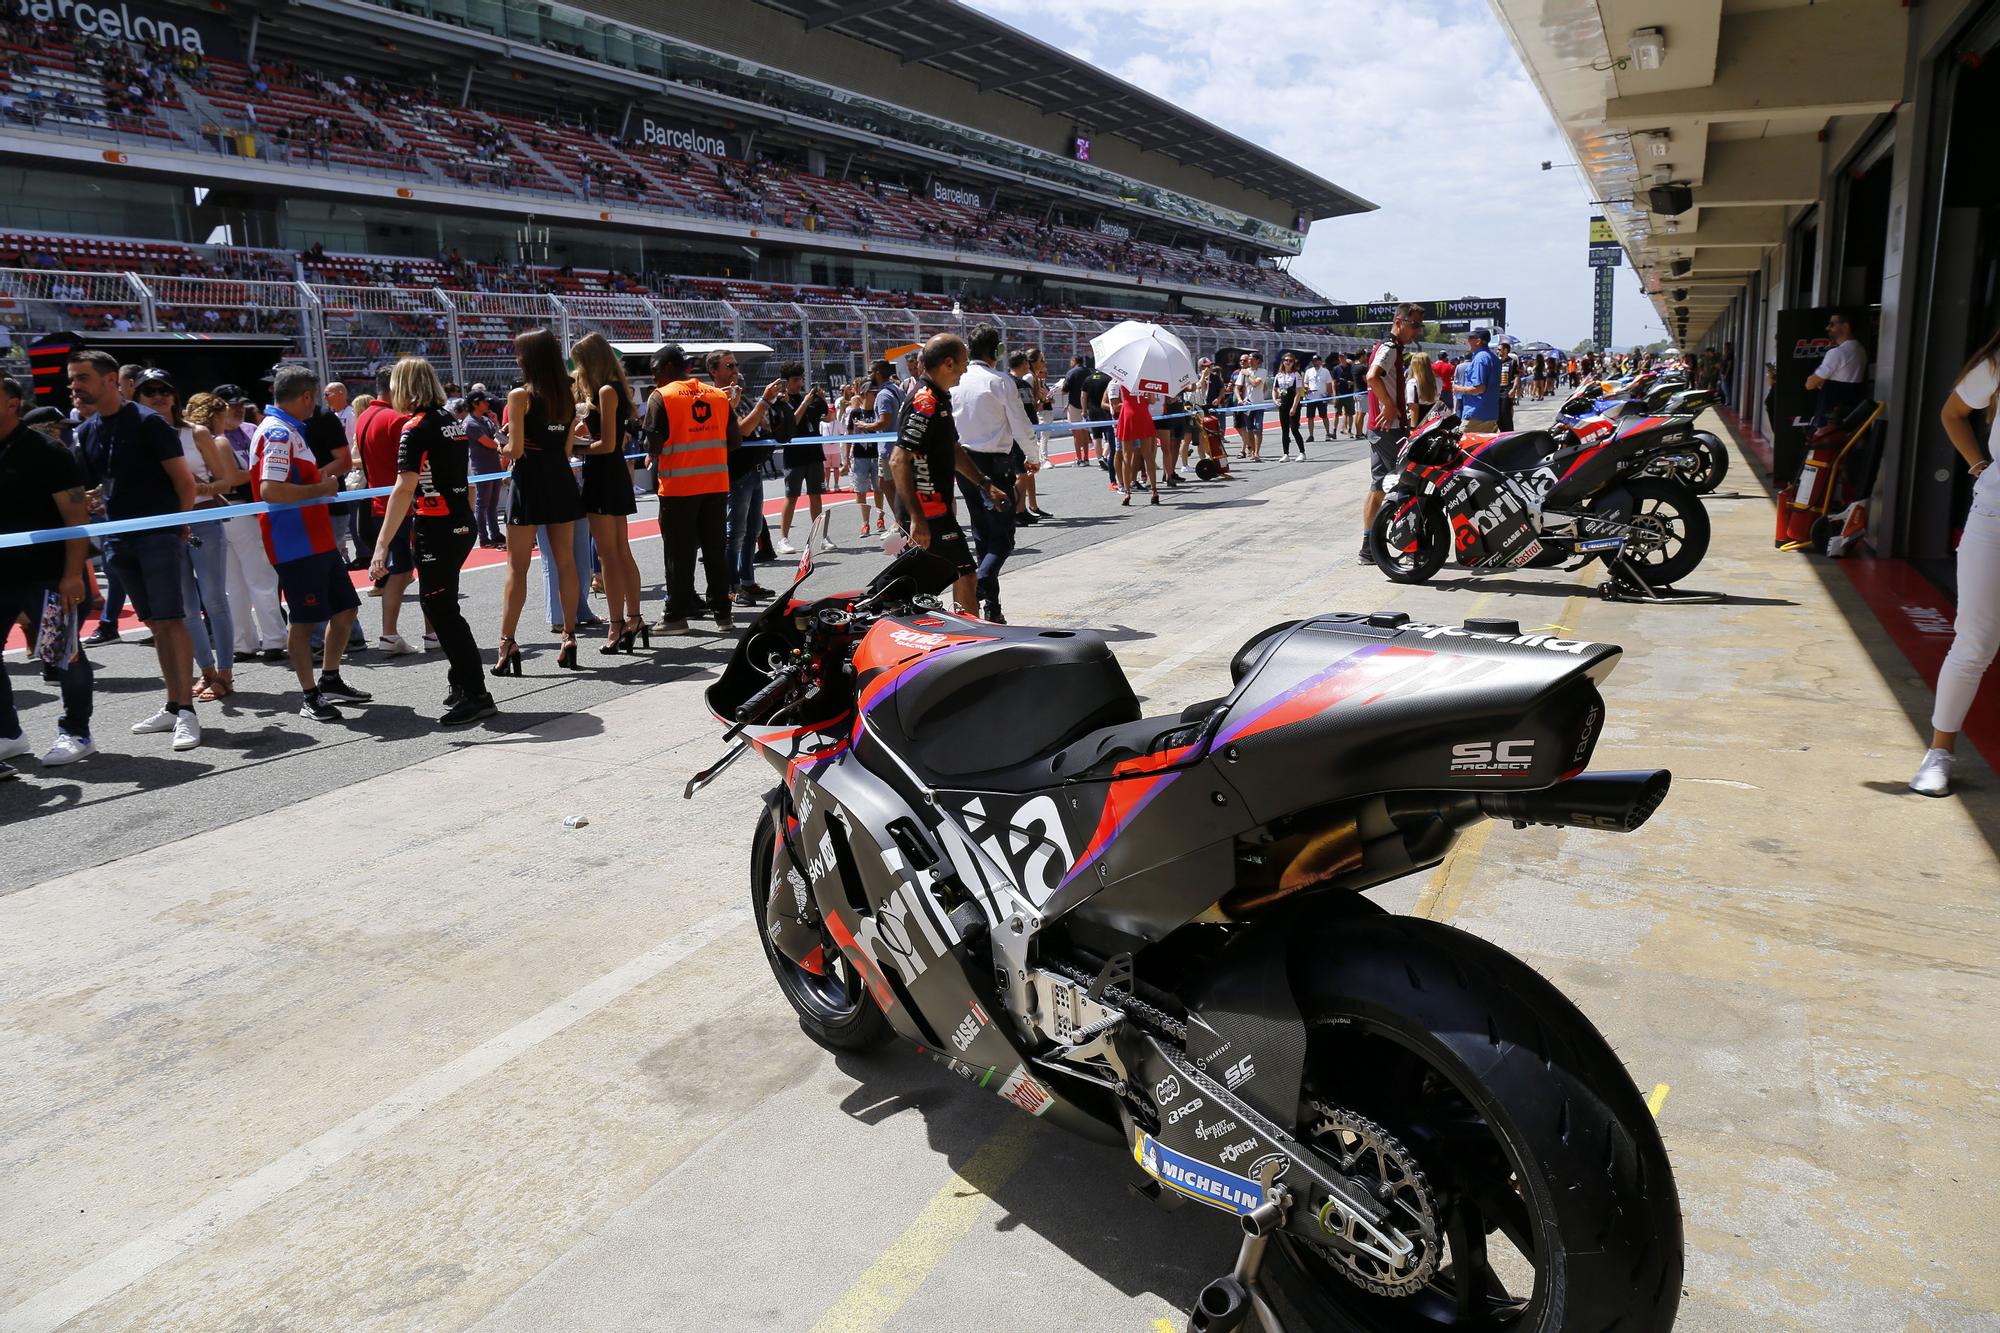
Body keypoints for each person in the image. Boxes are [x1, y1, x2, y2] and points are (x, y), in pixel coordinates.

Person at [70, 348, 202, 750]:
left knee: (170, 619)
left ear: (111, 380)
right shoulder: (88, 431)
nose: (75, 386)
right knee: (156, 624)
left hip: (157, 538)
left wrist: (175, 530)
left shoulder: (150, 424)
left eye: (83, 378)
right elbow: (96, 485)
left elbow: (186, 484)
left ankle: (187, 712)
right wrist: (93, 501)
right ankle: (174, 703)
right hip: (117, 541)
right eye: (71, 380)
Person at [369, 356, 496, 728]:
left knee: (441, 609)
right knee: (442, 605)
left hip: (439, 527)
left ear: (402, 387)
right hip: (456, 522)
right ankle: (462, 682)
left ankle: (476, 693)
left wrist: (380, 545)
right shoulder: (450, 422)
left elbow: (403, 487)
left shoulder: (417, 427)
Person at [251, 364, 370, 722]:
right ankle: (309, 695)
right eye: (314, 397)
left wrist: (318, 482)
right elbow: (269, 490)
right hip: (295, 542)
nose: (315, 404)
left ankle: (329, 678)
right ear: (306, 396)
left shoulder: (287, 430)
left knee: (346, 609)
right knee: (303, 623)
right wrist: (322, 487)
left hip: (314, 538)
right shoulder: (277, 433)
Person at [1910, 326, 2000, 797]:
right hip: (1995, 518)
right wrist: (1979, 464)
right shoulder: (1997, 362)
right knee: (1975, 642)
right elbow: (1954, 413)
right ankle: (1939, 751)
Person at [0, 374, 96, 774]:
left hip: (47, 574)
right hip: (2, 576)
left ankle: (77, 732)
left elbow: (76, 519)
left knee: (65, 654)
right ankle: (8, 735)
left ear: (12, 402)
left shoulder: (48, 451)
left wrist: (73, 574)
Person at [891, 333, 1012, 616]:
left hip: (933, 508)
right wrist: (917, 518)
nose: (966, 369)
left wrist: (985, 484)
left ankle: (947, 637)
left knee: (922, 585)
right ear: (948, 363)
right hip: (926, 510)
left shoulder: (939, 397)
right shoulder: (925, 401)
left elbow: (953, 448)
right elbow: (898, 461)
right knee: (965, 574)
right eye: (963, 363)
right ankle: (970, 642)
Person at [495, 327, 584, 674]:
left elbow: (515, 450)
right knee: (565, 562)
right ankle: (569, 635)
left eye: (520, 352)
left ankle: (507, 641)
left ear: (528, 357)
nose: (517, 357)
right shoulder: (566, 395)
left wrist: (501, 445)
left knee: (517, 567)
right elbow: (565, 448)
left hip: (529, 481)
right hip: (560, 479)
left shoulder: (520, 396)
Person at [144, 374, 238, 703]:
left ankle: (225, 672)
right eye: (149, 391)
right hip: (169, 527)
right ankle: (208, 671)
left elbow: (226, 481)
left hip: (202, 520)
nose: (157, 396)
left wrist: (199, 488)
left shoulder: (196, 433)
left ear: (174, 396)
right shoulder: (141, 436)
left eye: (163, 390)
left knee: (214, 600)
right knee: (185, 607)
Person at [647, 343, 739, 634]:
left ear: (668, 369)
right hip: (715, 485)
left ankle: (676, 615)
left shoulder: (661, 397)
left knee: (679, 554)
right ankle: (723, 614)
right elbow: (734, 441)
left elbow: (653, 444)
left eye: (654, 372)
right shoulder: (717, 396)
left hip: (678, 488)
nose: (653, 379)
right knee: (715, 550)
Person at [950, 323, 1033, 623]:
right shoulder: (1000, 381)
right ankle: (980, 584)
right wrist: (1033, 458)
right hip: (995, 467)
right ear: (997, 351)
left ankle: (992, 610)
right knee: (1003, 539)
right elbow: (1021, 425)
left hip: (964, 465)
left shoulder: (956, 382)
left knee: (983, 538)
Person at [569, 331, 645, 653]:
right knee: (619, 552)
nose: (576, 368)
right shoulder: (613, 389)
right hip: (610, 475)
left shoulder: (605, 391)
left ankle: (618, 623)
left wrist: (574, 447)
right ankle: (633, 618)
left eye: (579, 361)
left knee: (609, 555)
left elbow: (608, 445)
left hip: (604, 474)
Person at [203, 384, 286, 662]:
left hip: (243, 510)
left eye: (240, 403)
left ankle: (272, 639)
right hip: (226, 511)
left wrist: (245, 473)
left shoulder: (250, 429)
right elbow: (234, 477)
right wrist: (250, 471)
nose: (238, 408)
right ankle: (246, 643)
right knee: (240, 584)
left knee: (257, 579)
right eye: (231, 404)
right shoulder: (210, 437)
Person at [353, 368, 421, 655]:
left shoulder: (364, 416)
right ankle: (390, 634)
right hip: (399, 504)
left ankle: (394, 634)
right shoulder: (398, 420)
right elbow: (409, 469)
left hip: (377, 502)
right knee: (402, 571)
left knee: (400, 569)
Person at [708, 348, 780, 609]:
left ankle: (747, 580)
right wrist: (764, 401)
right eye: (729, 366)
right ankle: (731, 587)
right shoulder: (717, 398)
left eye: (736, 365)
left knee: (753, 531)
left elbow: (763, 426)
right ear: (713, 371)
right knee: (735, 533)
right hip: (735, 474)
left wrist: (770, 409)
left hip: (752, 471)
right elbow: (744, 428)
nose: (735, 370)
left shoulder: (740, 396)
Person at [1360, 303, 1424, 565]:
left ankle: (1368, 548)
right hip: (1388, 429)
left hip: (1381, 429)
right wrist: (1388, 404)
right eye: (1415, 325)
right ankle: (1409, 548)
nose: (1418, 332)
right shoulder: (1388, 348)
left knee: (1378, 486)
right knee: (1407, 483)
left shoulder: (1391, 348)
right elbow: (1372, 377)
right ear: (1399, 322)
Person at [773, 368, 829, 554]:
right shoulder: (782, 401)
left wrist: (821, 400)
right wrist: (805, 403)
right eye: (795, 379)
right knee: (791, 497)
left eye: (801, 379)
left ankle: (820, 537)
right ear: (786, 381)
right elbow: (792, 423)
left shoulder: (809, 398)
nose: (800, 383)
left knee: (816, 495)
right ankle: (783, 539)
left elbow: (828, 418)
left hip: (814, 454)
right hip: (794, 457)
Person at [849, 358, 898, 541]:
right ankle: (900, 521)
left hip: (887, 448)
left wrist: (865, 425)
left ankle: (900, 521)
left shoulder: (885, 394)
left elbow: (883, 422)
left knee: (886, 484)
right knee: (888, 484)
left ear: (877, 374)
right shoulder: (896, 389)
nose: (868, 375)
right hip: (894, 447)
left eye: (870, 372)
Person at [1805, 309, 1869, 425]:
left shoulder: (1837, 353)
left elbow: (1810, 384)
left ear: (1845, 326)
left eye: (1832, 324)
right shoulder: (1860, 349)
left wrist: (1821, 381)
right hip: (1849, 415)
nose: (1827, 328)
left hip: (1830, 419)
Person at [462, 391, 504, 547]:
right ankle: (483, 537)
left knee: (493, 503)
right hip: (481, 468)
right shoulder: (470, 423)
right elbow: (491, 443)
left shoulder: (486, 420)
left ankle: (495, 534)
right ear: (475, 404)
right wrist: (500, 444)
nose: (488, 404)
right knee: (483, 503)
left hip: (494, 466)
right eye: (484, 402)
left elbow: (500, 436)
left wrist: (496, 421)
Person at [1113, 378, 1161, 507]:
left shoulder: (1123, 379)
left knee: (1126, 456)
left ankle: (1127, 492)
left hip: (1128, 413)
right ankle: (1154, 491)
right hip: (1143, 414)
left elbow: (1120, 401)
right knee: (1148, 455)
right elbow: (1151, 400)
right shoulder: (1146, 380)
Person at [1454, 328, 1502, 433]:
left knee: (1462, 445)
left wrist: (1459, 388)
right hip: (1490, 412)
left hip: (1477, 414)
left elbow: (1480, 388)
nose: (1468, 341)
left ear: (1478, 341)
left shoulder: (1480, 358)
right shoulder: (1493, 357)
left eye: (1470, 338)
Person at [1060, 354, 1092, 466]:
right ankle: (1086, 458)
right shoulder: (1088, 372)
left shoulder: (1071, 372)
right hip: (1086, 406)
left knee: (1076, 433)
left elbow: (1064, 391)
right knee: (1084, 431)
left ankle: (1079, 458)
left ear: (1074, 361)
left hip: (1074, 405)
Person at [1272, 352, 1305, 459]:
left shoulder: (1296, 374)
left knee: (1294, 429)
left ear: (1293, 362)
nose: (1288, 362)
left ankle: (1302, 452)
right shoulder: (1279, 375)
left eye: (1290, 360)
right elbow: (1275, 389)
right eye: (1286, 360)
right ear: (1283, 362)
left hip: (1293, 404)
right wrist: (1275, 400)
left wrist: (1294, 407)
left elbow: (1298, 393)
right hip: (1283, 405)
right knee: (1284, 430)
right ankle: (1286, 453)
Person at [1302, 354, 1332, 442]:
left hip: (1322, 397)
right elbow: (1305, 382)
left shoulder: (1325, 371)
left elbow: (1329, 383)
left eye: (1317, 360)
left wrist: (1329, 395)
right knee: (1310, 417)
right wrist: (1307, 388)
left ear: (1320, 361)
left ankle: (1327, 433)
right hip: (1311, 397)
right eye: (1313, 361)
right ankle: (1311, 435)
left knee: (1324, 416)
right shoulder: (1309, 371)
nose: (1315, 362)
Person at [1496, 340, 1519, 431]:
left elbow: (1517, 377)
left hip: (1507, 391)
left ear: (1505, 350)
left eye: (1499, 349)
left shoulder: (1512, 362)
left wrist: (1513, 389)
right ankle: (1502, 431)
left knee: (1505, 412)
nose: (1498, 351)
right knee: (1497, 414)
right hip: (1497, 391)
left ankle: (1509, 432)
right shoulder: (1496, 362)